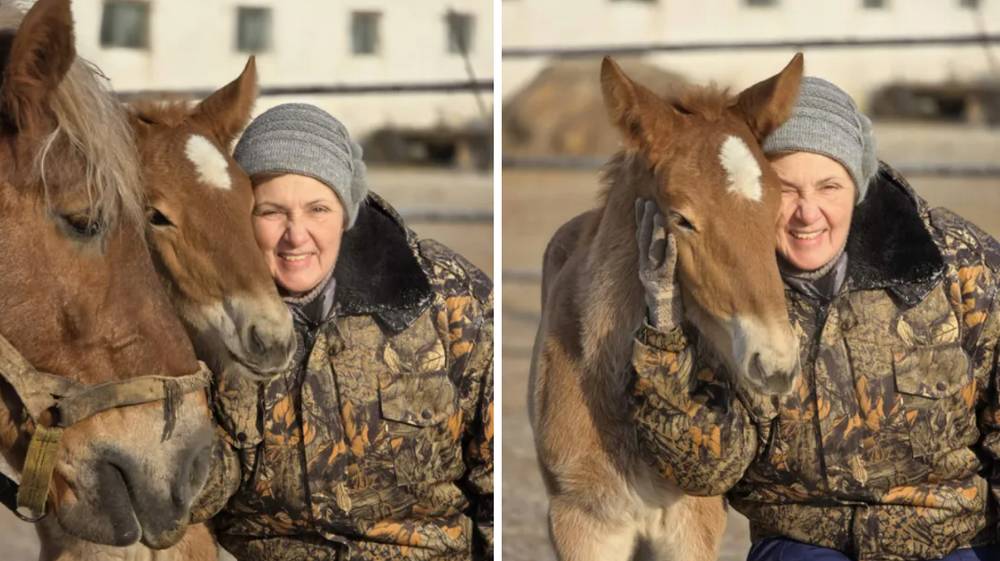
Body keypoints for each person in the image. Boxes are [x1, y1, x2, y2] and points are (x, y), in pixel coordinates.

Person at [629, 77, 1000, 560]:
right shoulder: (731, 299)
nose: (808, 213)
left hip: (955, 539)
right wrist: (661, 329)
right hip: (805, 541)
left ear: (858, 185)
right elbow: (704, 469)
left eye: (829, 186)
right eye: (786, 189)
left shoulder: (958, 265)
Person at [201, 103, 493, 561]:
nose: (296, 236)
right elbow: (193, 495)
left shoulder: (450, 299)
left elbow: (496, 486)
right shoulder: (211, 316)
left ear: (346, 211)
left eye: (318, 209)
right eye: (271, 212)